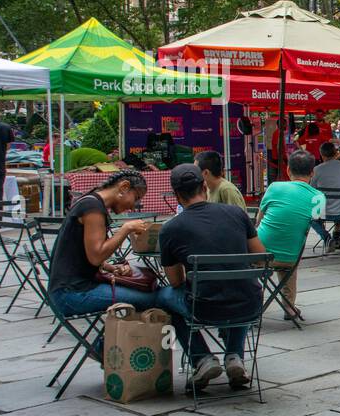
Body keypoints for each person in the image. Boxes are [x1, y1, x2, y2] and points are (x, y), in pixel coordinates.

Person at [156, 164, 265, 390]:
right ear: (204, 187)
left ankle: (202, 358)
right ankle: (234, 356)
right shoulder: (236, 213)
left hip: (203, 308)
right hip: (251, 304)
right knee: (240, 285)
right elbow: (260, 255)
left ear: (176, 195)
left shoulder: (171, 228)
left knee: (164, 297)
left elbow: (175, 281)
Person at [47, 170, 157, 324]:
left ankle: (108, 346)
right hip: (71, 294)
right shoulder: (92, 207)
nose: (133, 206)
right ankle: (107, 346)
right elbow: (96, 256)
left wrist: (111, 268)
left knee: (150, 295)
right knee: (155, 299)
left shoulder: (90, 202)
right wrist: (126, 228)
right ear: (124, 187)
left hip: (70, 289)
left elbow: (82, 253)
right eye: (136, 198)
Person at [256, 150, 324, 322]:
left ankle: (253, 302)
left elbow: (259, 220)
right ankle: (288, 305)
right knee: (288, 262)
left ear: (288, 170)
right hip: (290, 257)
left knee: (253, 260)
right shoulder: (319, 197)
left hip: (257, 254)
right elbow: (315, 222)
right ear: (312, 172)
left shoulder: (274, 187)